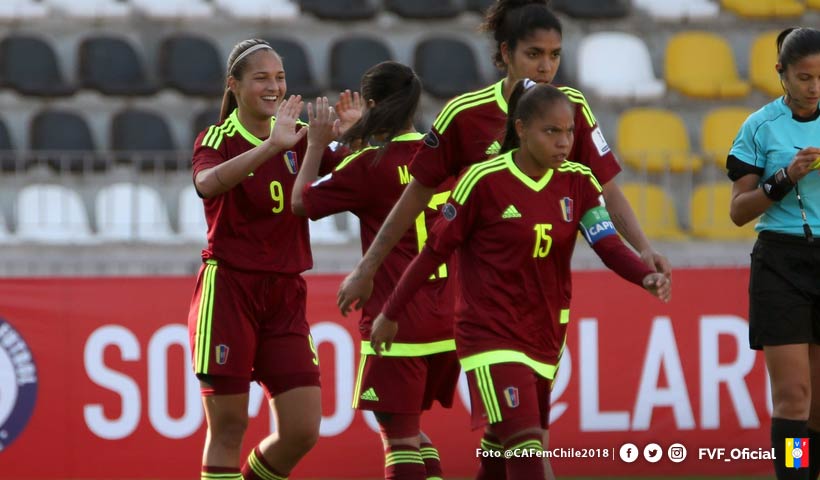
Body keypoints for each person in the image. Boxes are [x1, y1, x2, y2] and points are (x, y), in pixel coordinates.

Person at [369, 81, 671, 480]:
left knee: (498, 462)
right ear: (522, 128)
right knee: (529, 455)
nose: (564, 142)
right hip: (490, 338)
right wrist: (390, 312)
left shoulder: (578, 182)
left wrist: (645, 275)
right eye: (552, 132)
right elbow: (433, 254)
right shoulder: (483, 180)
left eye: (569, 132)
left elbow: (607, 243)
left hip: (544, 338)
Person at [338, 0, 670, 317]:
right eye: (534, 54)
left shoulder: (572, 109)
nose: (545, 67)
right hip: (477, 301)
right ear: (506, 53)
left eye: (554, 55)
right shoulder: (465, 115)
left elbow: (607, 190)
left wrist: (642, 248)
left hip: (544, 306)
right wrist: (367, 268)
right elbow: (414, 195)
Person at [186, 38, 354, 480]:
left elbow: (346, 177)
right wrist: (271, 147)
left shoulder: (297, 138)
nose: (273, 86)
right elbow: (206, 183)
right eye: (261, 77)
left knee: (302, 429)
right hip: (230, 291)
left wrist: (349, 138)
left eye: (279, 77)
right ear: (234, 85)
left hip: (284, 293)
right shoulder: (217, 137)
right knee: (229, 427)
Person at [291, 61, 460, 480]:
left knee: (398, 438)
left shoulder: (368, 164)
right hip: (451, 320)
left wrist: (317, 143)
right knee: (411, 432)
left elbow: (301, 202)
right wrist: (359, 136)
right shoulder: (446, 157)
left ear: (370, 105)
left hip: (397, 319)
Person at [728, 27, 820, 480]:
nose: (814, 87)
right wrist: (784, 177)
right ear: (781, 73)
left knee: (819, 405)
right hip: (781, 263)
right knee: (793, 398)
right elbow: (738, 212)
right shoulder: (759, 126)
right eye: (804, 77)